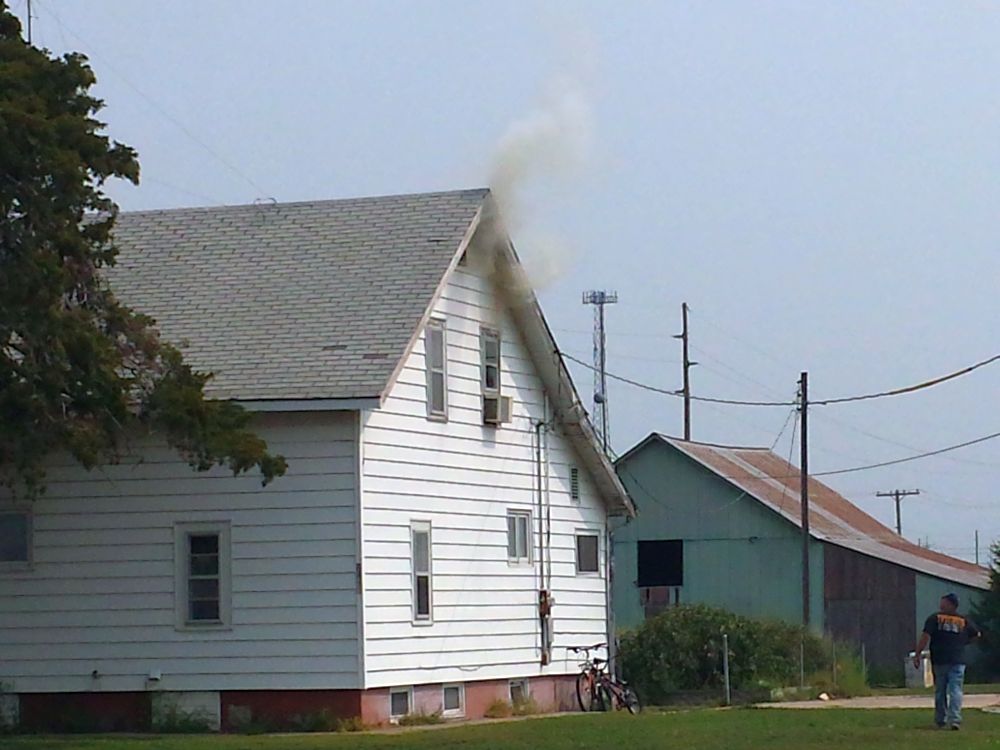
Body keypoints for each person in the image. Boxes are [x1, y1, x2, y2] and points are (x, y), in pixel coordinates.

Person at [913, 593, 982, 730]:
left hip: (940, 659)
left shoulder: (935, 618)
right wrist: (964, 642)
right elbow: (977, 634)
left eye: (943, 601)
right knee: (956, 690)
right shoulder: (963, 620)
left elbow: (925, 636)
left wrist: (918, 654)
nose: (941, 604)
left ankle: (940, 719)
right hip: (958, 659)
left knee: (940, 690)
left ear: (950, 604)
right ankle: (955, 720)